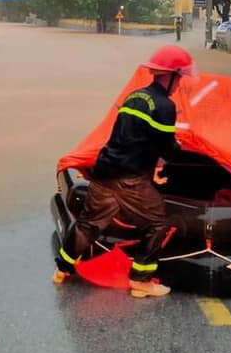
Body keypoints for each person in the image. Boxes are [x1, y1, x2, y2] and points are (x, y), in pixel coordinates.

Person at [52, 44, 195, 297]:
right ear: (171, 75)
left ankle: (62, 269)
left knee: (88, 224)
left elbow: (131, 137)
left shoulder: (135, 96)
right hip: (130, 180)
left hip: (104, 171)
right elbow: (168, 148)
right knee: (158, 223)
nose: (179, 84)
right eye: (179, 78)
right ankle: (141, 280)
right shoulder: (165, 106)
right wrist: (176, 147)